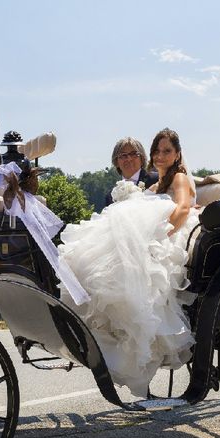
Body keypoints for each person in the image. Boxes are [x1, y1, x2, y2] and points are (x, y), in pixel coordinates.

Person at [58, 128, 198, 397]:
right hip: (155, 231)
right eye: (157, 150)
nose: (160, 155)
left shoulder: (177, 177)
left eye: (166, 151)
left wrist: (159, 235)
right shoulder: (157, 184)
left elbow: (182, 209)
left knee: (132, 273)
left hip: (172, 232)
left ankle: (132, 341)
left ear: (177, 153)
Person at [104, 137, 159, 206]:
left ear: (142, 159)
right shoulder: (111, 196)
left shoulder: (157, 180)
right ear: (116, 162)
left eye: (134, 154)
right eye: (123, 155)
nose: (129, 159)